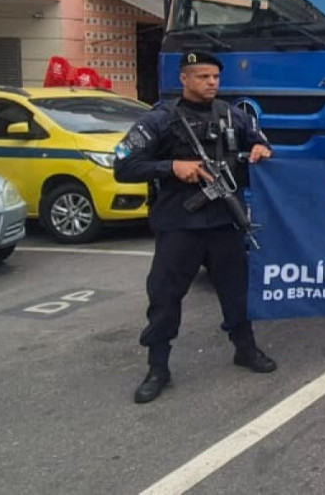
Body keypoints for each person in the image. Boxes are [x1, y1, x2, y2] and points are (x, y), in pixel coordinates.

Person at [113, 50, 276, 404]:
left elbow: (261, 142)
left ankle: (245, 349)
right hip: (179, 224)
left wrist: (262, 149)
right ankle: (158, 367)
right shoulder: (159, 120)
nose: (211, 82)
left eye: (215, 77)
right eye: (203, 77)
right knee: (165, 296)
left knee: (236, 291)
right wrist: (171, 167)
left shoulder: (232, 115)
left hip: (224, 221)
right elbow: (122, 165)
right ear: (184, 79)